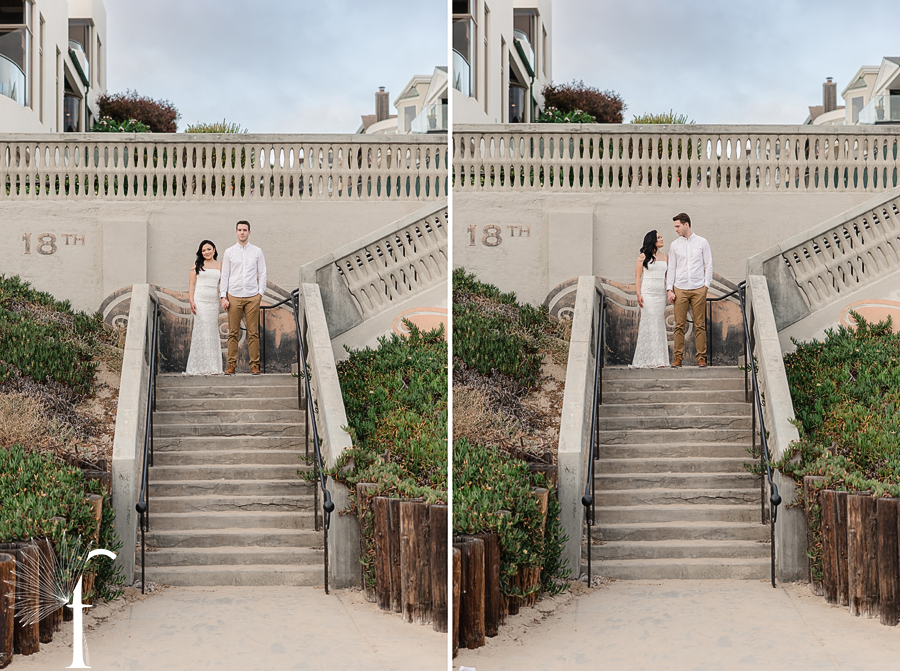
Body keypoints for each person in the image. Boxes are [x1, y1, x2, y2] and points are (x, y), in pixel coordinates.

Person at [220, 220, 267, 375]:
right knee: (233, 332)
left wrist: (260, 294)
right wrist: (223, 296)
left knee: (253, 333)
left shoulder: (257, 251)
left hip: (253, 296)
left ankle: (254, 365)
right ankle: (231, 365)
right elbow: (225, 275)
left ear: (249, 232)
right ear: (236, 232)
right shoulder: (229, 252)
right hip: (234, 295)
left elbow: (263, 272)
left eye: (245, 230)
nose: (242, 232)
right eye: (239, 230)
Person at [666, 212, 713, 367]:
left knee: (700, 325)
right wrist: (669, 289)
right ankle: (678, 358)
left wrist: (706, 286)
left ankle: (701, 358)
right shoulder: (674, 245)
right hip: (680, 288)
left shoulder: (702, 242)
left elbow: (708, 264)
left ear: (686, 225)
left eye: (678, 226)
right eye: (675, 227)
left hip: (699, 288)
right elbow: (671, 267)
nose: (676, 229)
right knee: (679, 325)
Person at [630, 230, 670, 368]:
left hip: (660, 295)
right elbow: (637, 276)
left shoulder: (666, 257)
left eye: (661, 236)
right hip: (647, 294)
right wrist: (638, 294)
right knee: (650, 323)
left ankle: (660, 359)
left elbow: (667, 277)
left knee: (658, 323)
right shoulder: (642, 257)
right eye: (659, 237)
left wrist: (670, 290)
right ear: (652, 240)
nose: (661, 239)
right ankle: (648, 359)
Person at [184, 240, 224, 376]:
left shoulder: (220, 265)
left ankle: (213, 366)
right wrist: (191, 300)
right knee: (202, 331)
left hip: (213, 301)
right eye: (203, 250)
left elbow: (224, 284)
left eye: (208, 249)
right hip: (200, 300)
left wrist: (224, 298)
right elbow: (191, 284)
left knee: (212, 331)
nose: (206, 252)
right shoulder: (197, 265)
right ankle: (199, 366)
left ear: (214, 249)